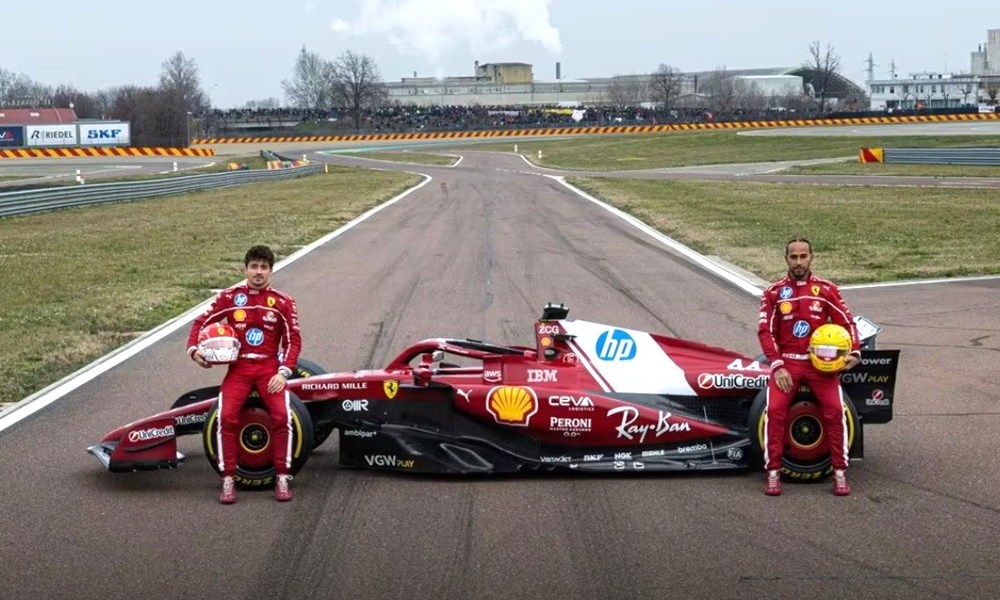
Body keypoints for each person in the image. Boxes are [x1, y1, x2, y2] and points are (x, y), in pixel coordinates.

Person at [187, 245, 301, 504]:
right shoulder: (229, 297)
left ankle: (283, 476)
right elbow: (199, 323)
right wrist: (194, 350)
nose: (258, 272)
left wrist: (283, 372)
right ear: (245, 269)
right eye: (254, 267)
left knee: (282, 417)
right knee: (226, 418)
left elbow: (294, 341)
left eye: (264, 267)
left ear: (271, 271)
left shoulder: (283, 302)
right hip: (238, 370)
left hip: (269, 369)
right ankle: (228, 479)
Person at [757, 238, 861, 497]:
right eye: (794, 257)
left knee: (836, 411)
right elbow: (765, 332)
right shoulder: (774, 291)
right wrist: (777, 365)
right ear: (786, 259)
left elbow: (847, 324)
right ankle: (773, 473)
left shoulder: (826, 288)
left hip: (821, 365)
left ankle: (839, 474)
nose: (799, 262)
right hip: (787, 364)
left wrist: (855, 352)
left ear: (812, 257)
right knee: (775, 411)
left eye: (804, 256)